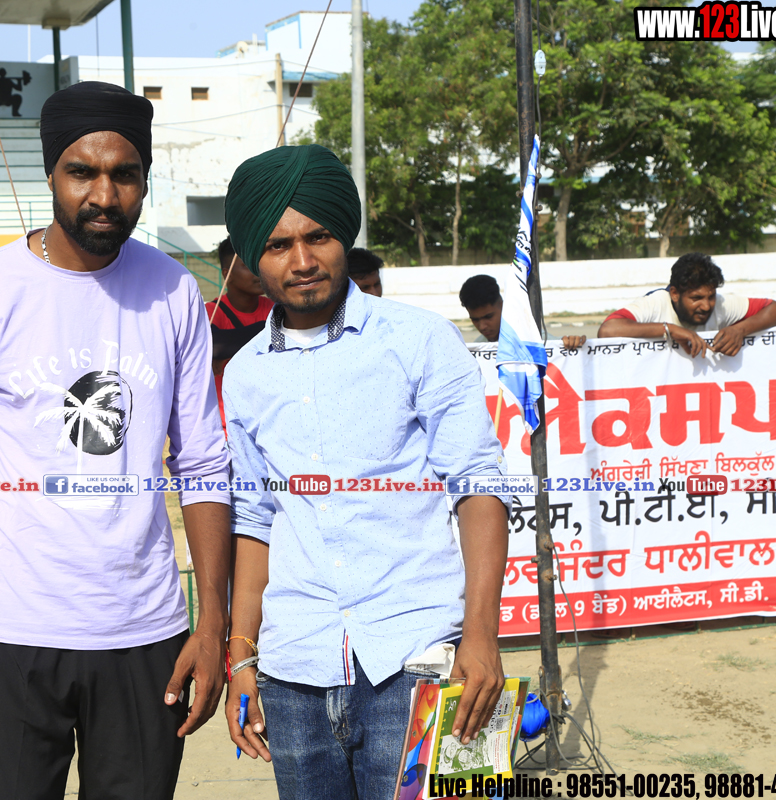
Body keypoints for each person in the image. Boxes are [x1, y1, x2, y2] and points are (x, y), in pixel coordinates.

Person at [0, 81, 231, 800]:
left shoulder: (174, 291)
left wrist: (212, 625)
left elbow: (204, 464)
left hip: (146, 633)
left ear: (145, 178)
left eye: (125, 174)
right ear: (51, 173)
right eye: (82, 172)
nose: (104, 195)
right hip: (9, 633)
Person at [220, 144, 511, 800]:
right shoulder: (244, 374)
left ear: (343, 238)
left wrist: (482, 635)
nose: (301, 260)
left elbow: (477, 485)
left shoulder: (420, 338)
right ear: (253, 259)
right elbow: (255, 519)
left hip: (423, 655)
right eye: (277, 245)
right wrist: (242, 655)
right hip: (294, 670)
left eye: (318, 237)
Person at [597, 252, 776, 357]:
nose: (706, 306)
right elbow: (607, 331)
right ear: (674, 294)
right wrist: (669, 329)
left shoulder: (721, 304)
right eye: (696, 298)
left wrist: (740, 330)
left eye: (711, 296)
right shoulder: (656, 302)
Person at [203, 237, 273, 429]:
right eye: (247, 265)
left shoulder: (276, 309)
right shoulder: (211, 312)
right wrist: (270, 330)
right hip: (225, 427)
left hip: (267, 423)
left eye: (258, 263)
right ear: (227, 274)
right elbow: (215, 345)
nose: (258, 271)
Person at [459, 274, 586, 349]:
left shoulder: (532, 337)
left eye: (488, 317)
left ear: (503, 306)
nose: (482, 326)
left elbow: (557, 345)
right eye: (475, 320)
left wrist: (571, 343)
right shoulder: (478, 348)